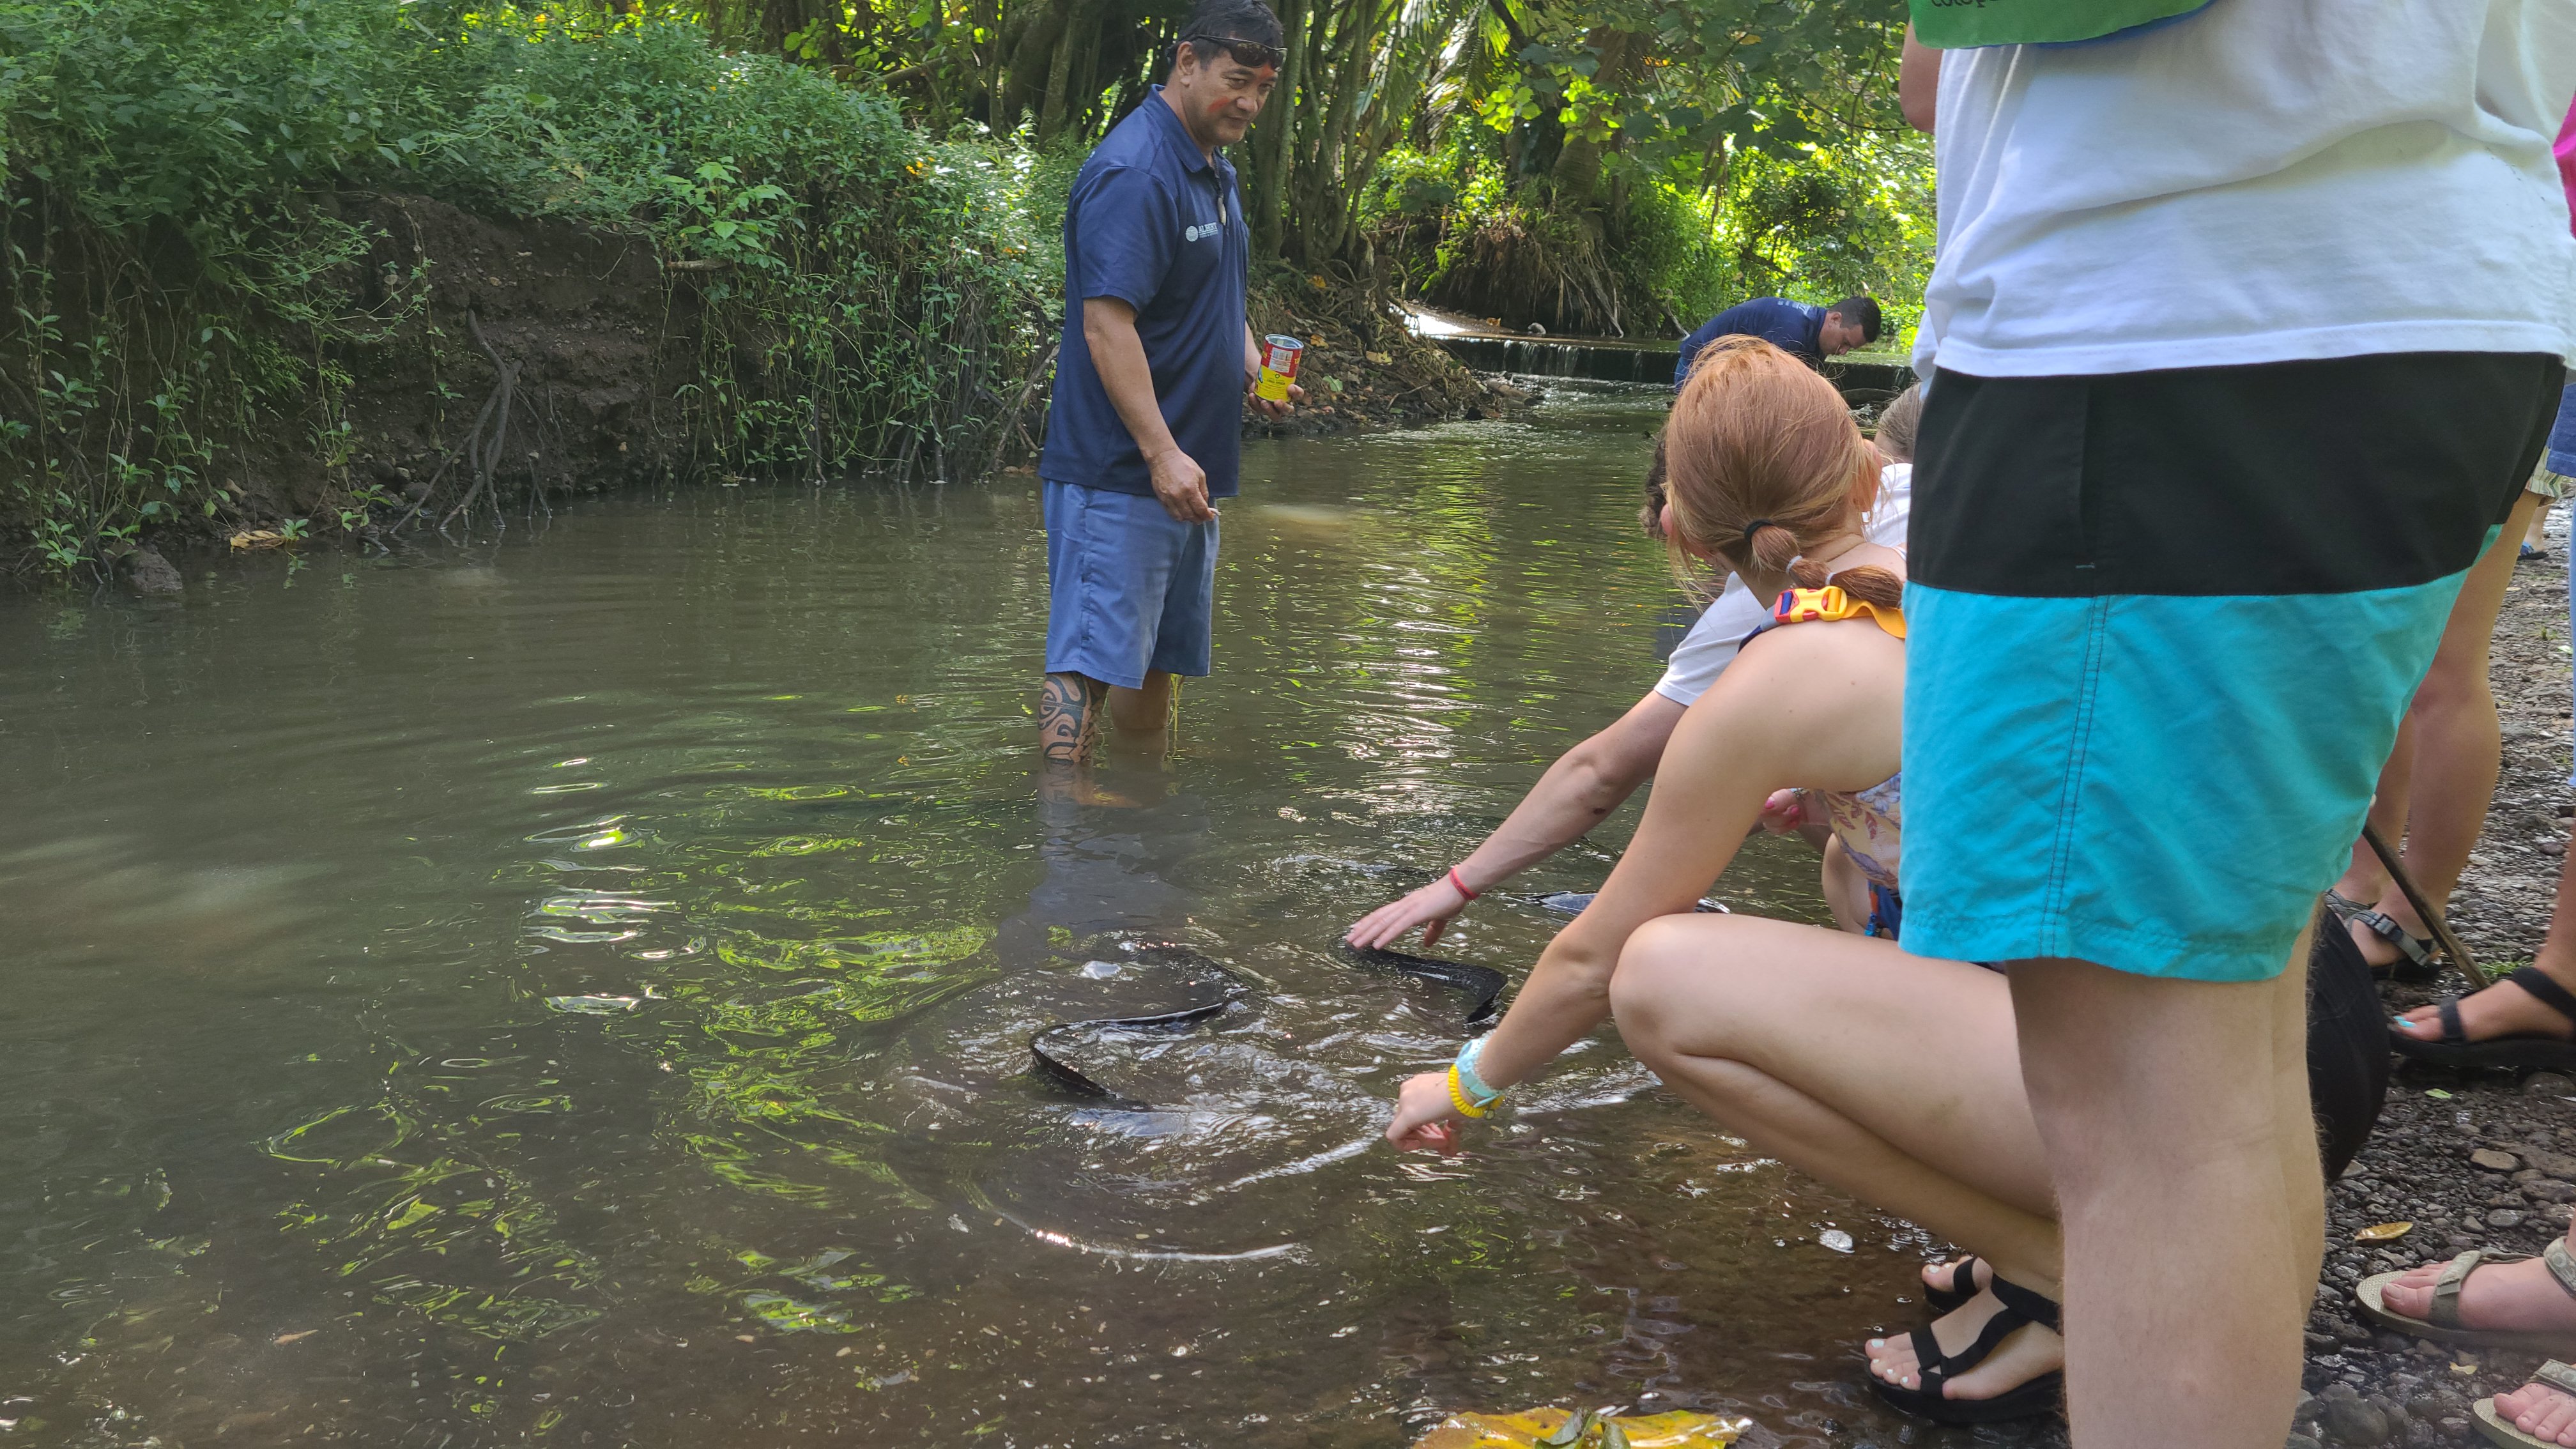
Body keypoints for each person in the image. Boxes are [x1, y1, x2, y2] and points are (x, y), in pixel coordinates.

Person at [1379, 337, 2389, 1423]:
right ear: (1867, 470)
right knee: (1840, 866)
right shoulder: (1955, 562)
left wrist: (1464, 1081)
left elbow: (1590, 954)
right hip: (2308, 1031)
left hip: (2184, 1100)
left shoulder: (1778, 676)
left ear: (1682, 531)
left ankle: (2058, 1266)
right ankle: (2068, 1240)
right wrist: (1852, 819)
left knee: (1657, 977)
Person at [1894, 8, 2572, 1447]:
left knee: (2153, 1118)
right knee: (2226, 1065)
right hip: (2407, 287)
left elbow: (1940, 61)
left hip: (2177, 313)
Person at [1343, 382, 1919, 951]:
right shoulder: (1924, 503)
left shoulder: (1769, 620)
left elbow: (1604, 769)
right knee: (1832, 842)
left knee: (1656, 969)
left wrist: (1459, 883)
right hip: (1994, 845)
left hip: (1991, 935)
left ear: (1686, 531)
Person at [1034, 0, 1299, 765]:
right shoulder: (1136, 170)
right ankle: (1065, 841)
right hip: (1123, 471)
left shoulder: (1212, 166)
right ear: (1187, 62)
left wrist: (1251, 365)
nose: (1248, 102)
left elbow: (1213, 294)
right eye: (1236, 80)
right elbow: (1105, 326)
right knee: (1088, 659)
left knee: (1155, 658)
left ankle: (1140, 810)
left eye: (1263, 88)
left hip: (1188, 472)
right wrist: (1159, 453)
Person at [1672, 295, 1879, 388]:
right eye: (1845, 343)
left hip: (1722, 370)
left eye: (1849, 349)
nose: (1843, 352)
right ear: (1835, 319)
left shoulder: (1815, 334)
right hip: (1696, 368)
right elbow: (1769, 392)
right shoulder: (1792, 333)